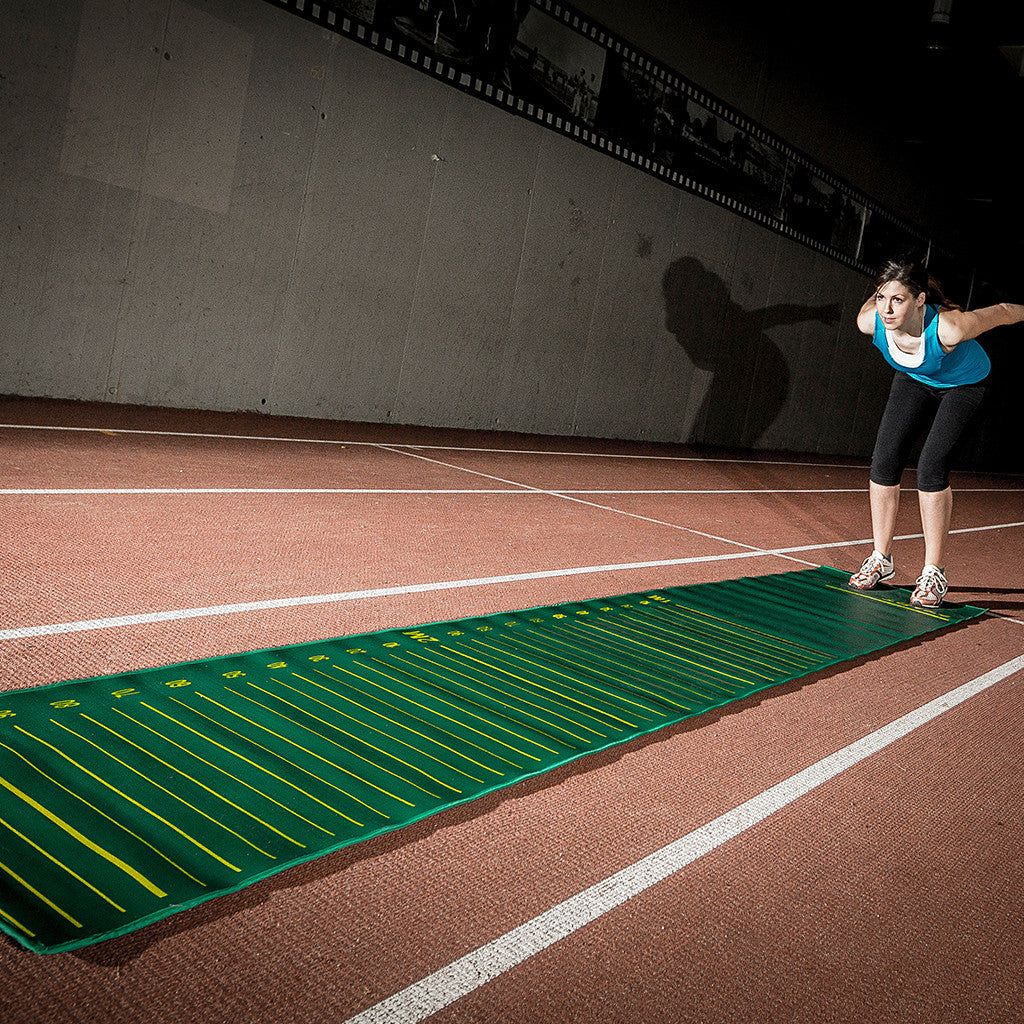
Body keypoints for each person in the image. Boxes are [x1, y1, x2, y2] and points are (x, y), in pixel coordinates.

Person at [848, 258, 1024, 607]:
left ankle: (933, 572)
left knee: (930, 467)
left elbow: (1004, 310)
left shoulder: (949, 328)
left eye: (897, 300)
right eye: (882, 298)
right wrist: (882, 294)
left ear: (919, 300)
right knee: (883, 461)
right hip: (915, 379)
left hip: (965, 384)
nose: (887, 308)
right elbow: (875, 306)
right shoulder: (870, 321)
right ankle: (881, 559)